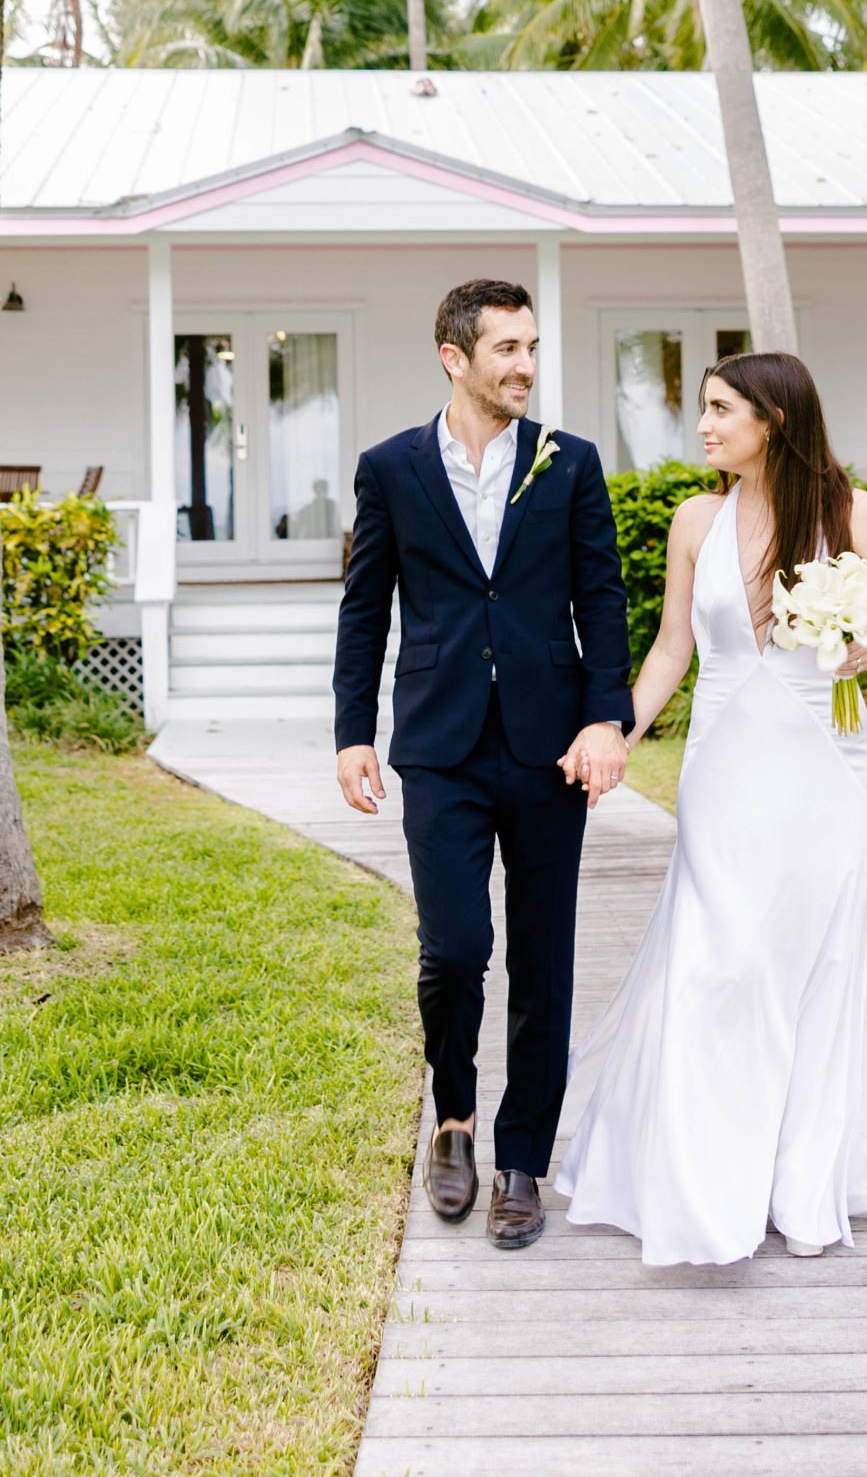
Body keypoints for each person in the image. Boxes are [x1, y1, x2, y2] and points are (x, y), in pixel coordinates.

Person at [555, 350, 867, 1268]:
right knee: (721, 960)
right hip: (721, 768)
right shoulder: (696, 518)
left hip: (824, 766)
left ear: (774, 418)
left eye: (719, 409)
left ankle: (800, 1182)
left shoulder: (852, 513)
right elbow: (673, 649)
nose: (702, 426)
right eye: (702, 409)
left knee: (811, 969)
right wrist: (616, 733)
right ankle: (704, 1185)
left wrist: (856, 646)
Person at [333, 277, 633, 1252]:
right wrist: (351, 731)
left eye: (532, 347)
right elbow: (364, 608)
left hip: (550, 747)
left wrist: (607, 720)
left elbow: (603, 599)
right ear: (453, 358)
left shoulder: (568, 463)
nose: (525, 366)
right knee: (455, 946)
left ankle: (521, 1160)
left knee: (543, 959)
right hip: (441, 744)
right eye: (506, 348)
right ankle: (452, 1119)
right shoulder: (389, 469)